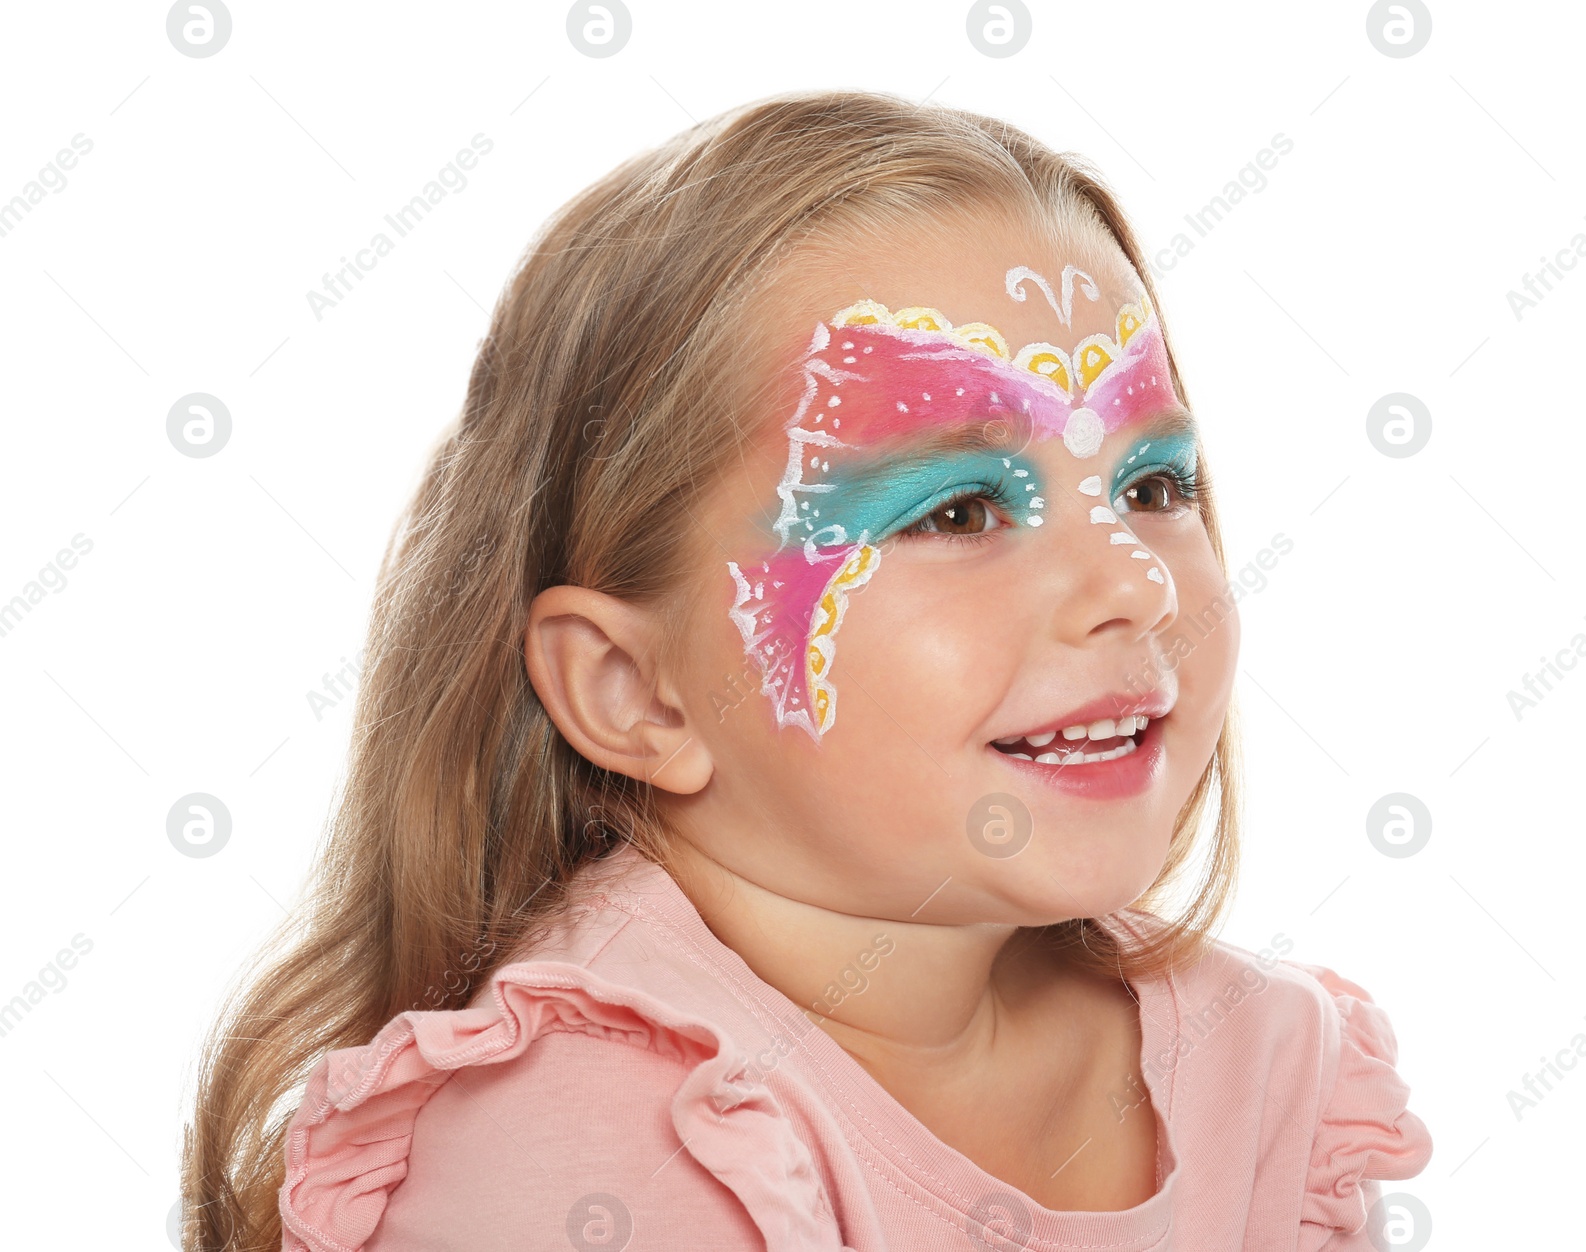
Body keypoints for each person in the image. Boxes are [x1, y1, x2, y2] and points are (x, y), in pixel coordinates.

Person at [182, 88, 1432, 1252]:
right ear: (637, 691)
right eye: (956, 510)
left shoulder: (1263, 1062)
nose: (1136, 585)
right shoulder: (585, 1140)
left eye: (1152, 486)